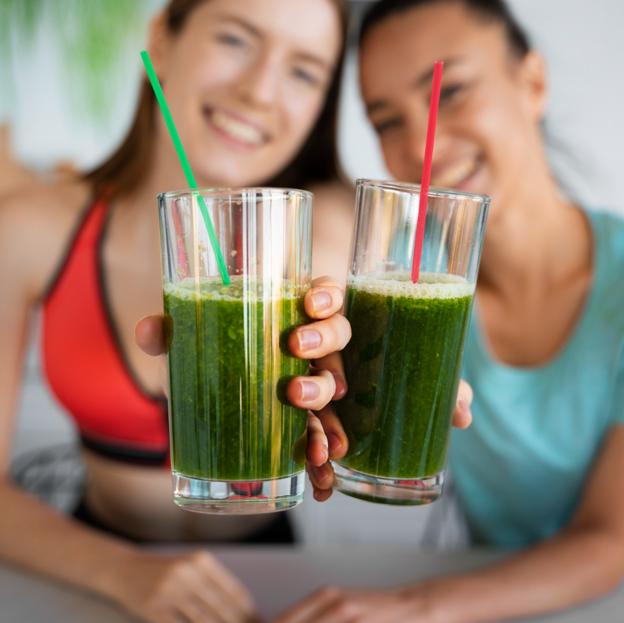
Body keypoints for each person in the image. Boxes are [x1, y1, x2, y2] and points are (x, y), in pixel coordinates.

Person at [0, 1, 356, 621]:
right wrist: (125, 573)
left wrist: (375, 385)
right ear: (162, 40)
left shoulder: (329, 233)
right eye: (236, 40)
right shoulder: (33, 228)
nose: (260, 90)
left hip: (272, 580)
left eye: (303, 71)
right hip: (91, 572)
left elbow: (369, 362)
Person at [276, 0, 624, 621]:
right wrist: (303, 327)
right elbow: (322, 254)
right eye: (385, 121)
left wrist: (417, 607)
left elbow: (612, 539)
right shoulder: (400, 275)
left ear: (533, 81)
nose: (419, 146)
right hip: (487, 581)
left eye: (451, 90)